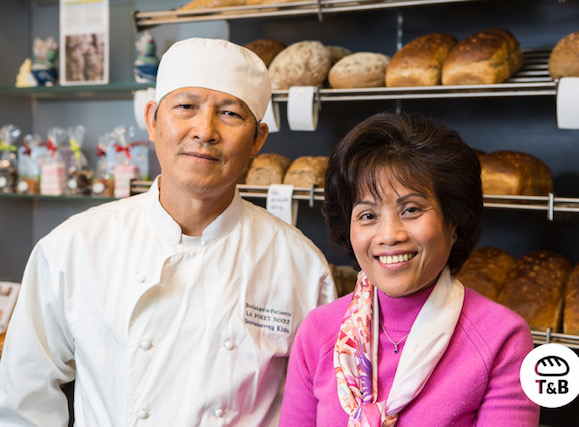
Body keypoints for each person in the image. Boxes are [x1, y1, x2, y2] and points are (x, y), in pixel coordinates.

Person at [0, 38, 335, 426]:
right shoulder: (74, 247)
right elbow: (22, 402)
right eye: (186, 107)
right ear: (152, 121)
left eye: (229, 113)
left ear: (258, 139)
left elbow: (315, 410)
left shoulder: (301, 266)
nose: (204, 131)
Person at [279, 112, 539, 426]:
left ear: (453, 221)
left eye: (411, 209)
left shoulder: (501, 338)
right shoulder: (318, 331)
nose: (389, 235)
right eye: (367, 216)